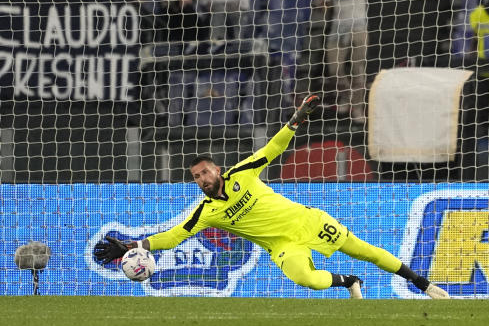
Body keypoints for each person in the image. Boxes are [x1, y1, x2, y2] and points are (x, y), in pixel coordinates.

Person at [93, 96, 450, 299]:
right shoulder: (206, 211)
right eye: (196, 177)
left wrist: (294, 120)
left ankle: (421, 282)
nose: (202, 179)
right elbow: (174, 235)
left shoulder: (242, 172)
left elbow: (273, 148)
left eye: (206, 171)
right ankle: (349, 281)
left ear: (216, 169)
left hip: (307, 222)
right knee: (306, 279)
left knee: (365, 250)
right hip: (281, 244)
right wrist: (132, 245)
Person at [318, 0, 379, 124]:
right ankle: (347, 96)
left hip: (358, 25)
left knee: (357, 68)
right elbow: (324, 1)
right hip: (338, 26)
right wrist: (321, 4)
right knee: (334, 70)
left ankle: (357, 108)